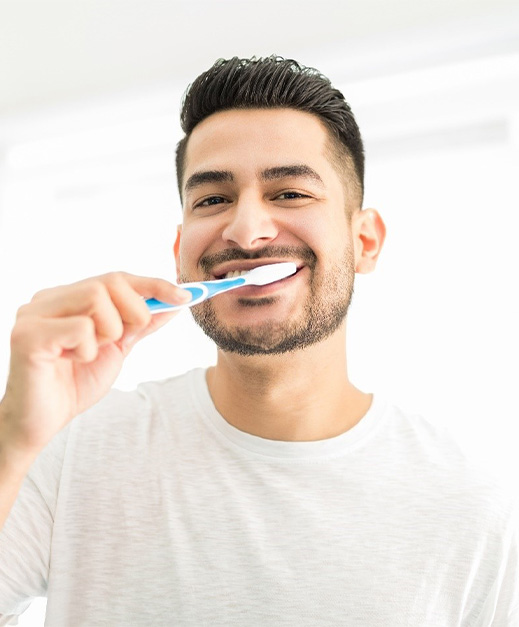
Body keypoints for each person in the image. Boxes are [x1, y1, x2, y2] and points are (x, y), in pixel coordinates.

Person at [0, 56, 517, 626]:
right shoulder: (70, 452)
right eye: (213, 199)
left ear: (365, 241)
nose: (246, 231)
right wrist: (13, 440)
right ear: (181, 252)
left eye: (291, 193)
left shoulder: (474, 505)